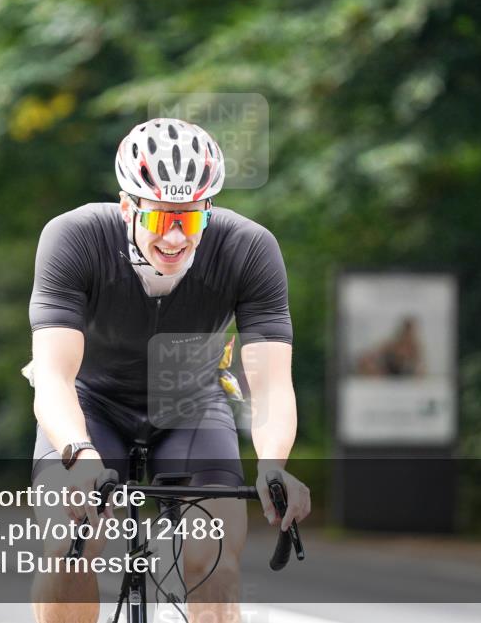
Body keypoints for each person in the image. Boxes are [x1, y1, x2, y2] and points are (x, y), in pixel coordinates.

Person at [27, 117, 311, 623]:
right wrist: (78, 453)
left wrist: (273, 465)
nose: (177, 237)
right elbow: (52, 377)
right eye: (161, 220)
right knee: (69, 541)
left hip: (191, 404)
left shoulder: (249, 249)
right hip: (92, 406)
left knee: (216, 563)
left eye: (191, 219)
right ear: (127, 207)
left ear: (209, 210)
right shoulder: (74, 238)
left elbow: (270, 385)